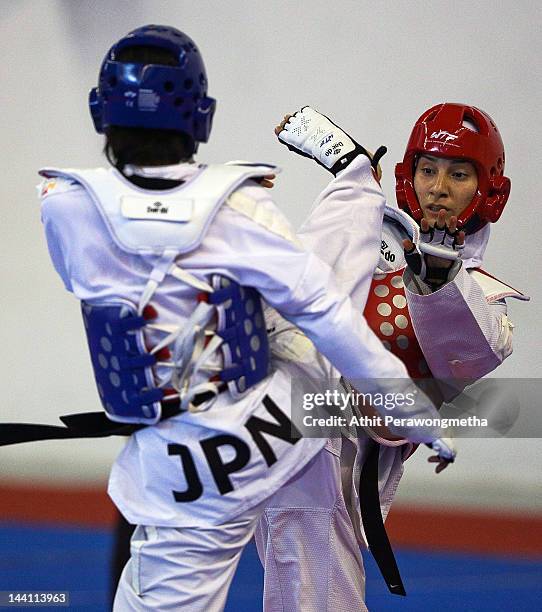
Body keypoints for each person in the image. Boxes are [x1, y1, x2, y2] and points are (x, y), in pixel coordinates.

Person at [32, 26, 455, 611]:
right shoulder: (238, 206)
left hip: (181, 466)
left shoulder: (63, 207)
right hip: (270, 425)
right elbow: (329, 313)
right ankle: (355, 184)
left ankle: (350, 191)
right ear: (201, 118)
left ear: (100, 113)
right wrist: (412, 410)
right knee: (313, 303)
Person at [254, 105, 528, 610]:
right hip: (286, 420)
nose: (438, 188)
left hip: (341, 445)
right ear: (408, 176)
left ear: (488, 190)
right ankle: (351, 172)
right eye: (428, 170)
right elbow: (313, 279)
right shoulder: (371, 236)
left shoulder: (484, 301)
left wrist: (438, 276)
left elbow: (460, 358)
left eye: (458, 174)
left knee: (309, 591)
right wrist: (357, 192)